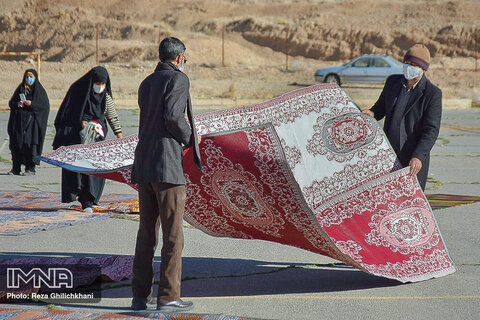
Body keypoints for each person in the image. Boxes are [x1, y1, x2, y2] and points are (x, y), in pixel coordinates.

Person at [130, 37, 202, 312]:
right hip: (167, 167)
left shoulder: (146, 82)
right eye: (185, 59)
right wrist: (190, 138)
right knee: (173, 236)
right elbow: (173, 118)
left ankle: (140, 296)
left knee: (147, 234)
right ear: (179, 58)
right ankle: (169, 295)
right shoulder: (179, 80)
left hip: (145, 165)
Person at [363, 44, 442, 190]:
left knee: (409, 199)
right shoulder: (393, 82)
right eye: (406, 63)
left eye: (413, 65)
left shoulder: (432, 94)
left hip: (412, 158)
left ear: (423, 69)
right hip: (389, 154)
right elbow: (381, 107)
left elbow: (431, 130)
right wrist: (372, 113)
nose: (408, 67)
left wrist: (418, 155)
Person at [52, 66, 123, 212]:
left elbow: (111, 116)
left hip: (96, 139)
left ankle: (92, 198)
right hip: (76, 139)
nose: (100, 87)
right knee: (81, 170)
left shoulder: (105, 97)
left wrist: (119, 135)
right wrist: (80, 123)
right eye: (97, 83)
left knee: (95, 169)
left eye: (103, 84)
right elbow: (67, 114)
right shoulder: (79, 91)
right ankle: (85, 201)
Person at [7, 69, 50, 176]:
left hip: (32, 125)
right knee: (16, 144)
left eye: (31, 77)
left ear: (35, 78)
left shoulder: (39, 92)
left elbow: (44, 107)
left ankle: (30, 168)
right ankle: (15, 168)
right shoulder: (20, 89)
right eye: (27, 76)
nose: (29, 79)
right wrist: (18, 104)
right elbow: (11, 103)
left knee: (30, 145)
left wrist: (31, 104)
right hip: (19, 123)